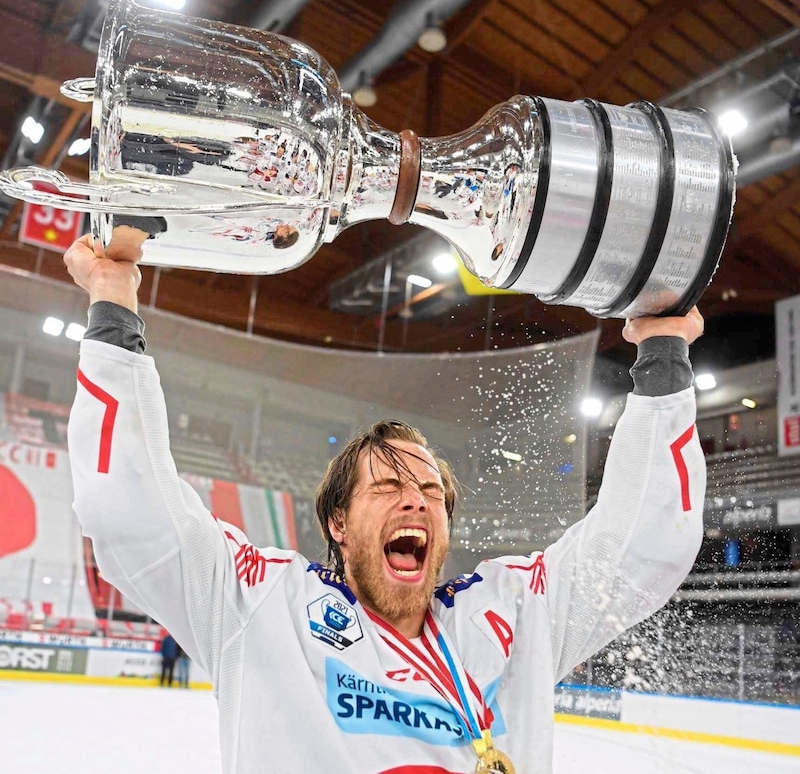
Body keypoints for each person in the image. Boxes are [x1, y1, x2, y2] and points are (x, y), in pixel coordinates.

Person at [64, 232, 705, 774]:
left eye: (431, 492)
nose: (417, 503)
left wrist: (663, 353)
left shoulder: (512, 614)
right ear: (337, 523)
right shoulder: (258, 605)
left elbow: (645, 543)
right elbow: (128, 507)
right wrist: (113, 303)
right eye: (389, 487)